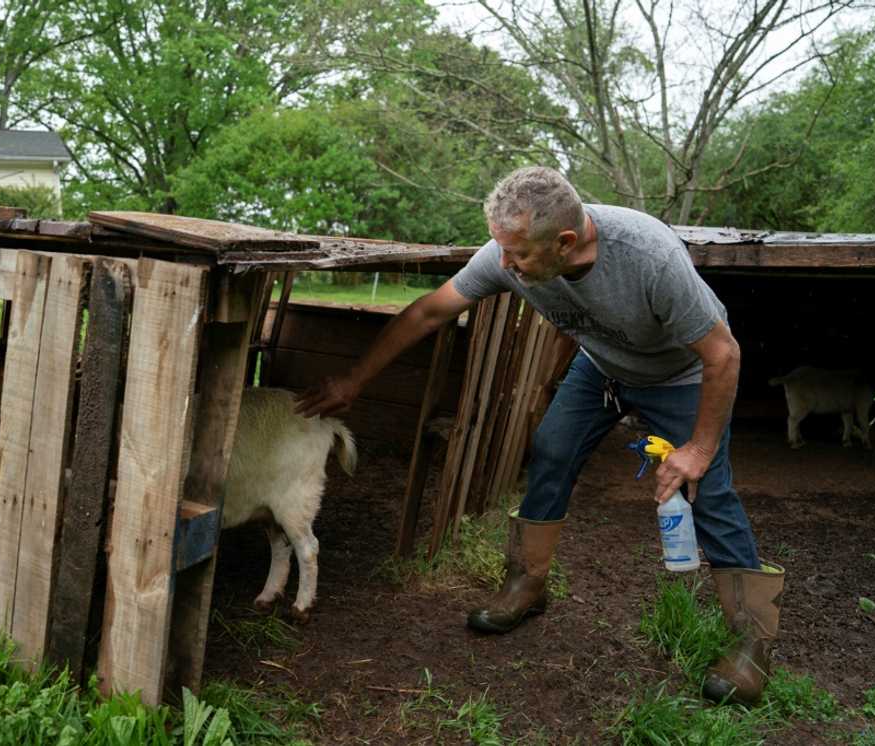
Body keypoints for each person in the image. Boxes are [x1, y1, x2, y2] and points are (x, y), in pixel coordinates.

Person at [295, 166, 785, 706]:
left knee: (707, 490)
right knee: (550, 449)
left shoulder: (649, 257)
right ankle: (525, 585)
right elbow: (431, 311)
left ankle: (751, 639)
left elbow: (724, 354)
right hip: (602, 368)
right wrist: (355, 379)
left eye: (518, 255)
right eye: (501, 250)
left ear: (565, 242)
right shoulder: (511, 254)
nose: (504, 266)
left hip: (681, 376)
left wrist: (697, 448)